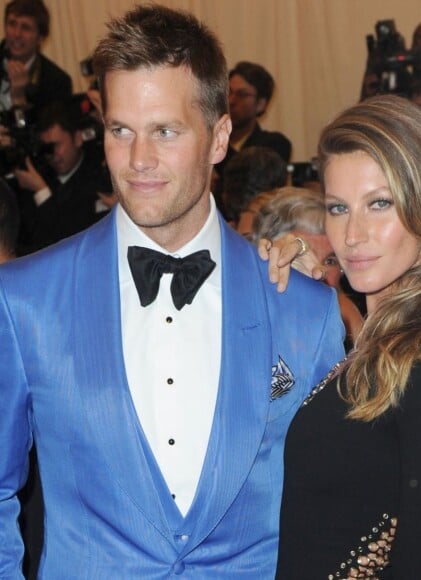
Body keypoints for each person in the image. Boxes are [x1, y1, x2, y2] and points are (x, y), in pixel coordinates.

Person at [0, 5, 344, 578]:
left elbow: (336, 503)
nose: (138, 161)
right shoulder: (24, 300)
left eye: (165, 130)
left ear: (219, 138)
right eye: (121, 131)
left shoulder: (302, 308)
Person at [261, 94, 421, 578]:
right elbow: (269, 404)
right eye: (338, 208)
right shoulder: (368, 341)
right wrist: (295, 292)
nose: (353, 233)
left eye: (379, 204)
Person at [252, 185, 364, 349]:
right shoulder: (250, 319)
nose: (318, 272)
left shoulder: (347, 318)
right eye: (301, 257)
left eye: (330, 261)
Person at [14, 101, 111, 252]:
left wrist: (42, 193)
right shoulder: (37, 176)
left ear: (77, 139)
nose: (52, 155)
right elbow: (29, 239)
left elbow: (73, 239)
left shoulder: (100, 176)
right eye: (46, 147)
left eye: (57, 145)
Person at [0, 0, 72, 112]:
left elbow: (47, 129)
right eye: (12, 24)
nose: (17, 34)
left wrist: (19, 97)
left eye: (25, 28)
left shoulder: (57, 82)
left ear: (40, 38)